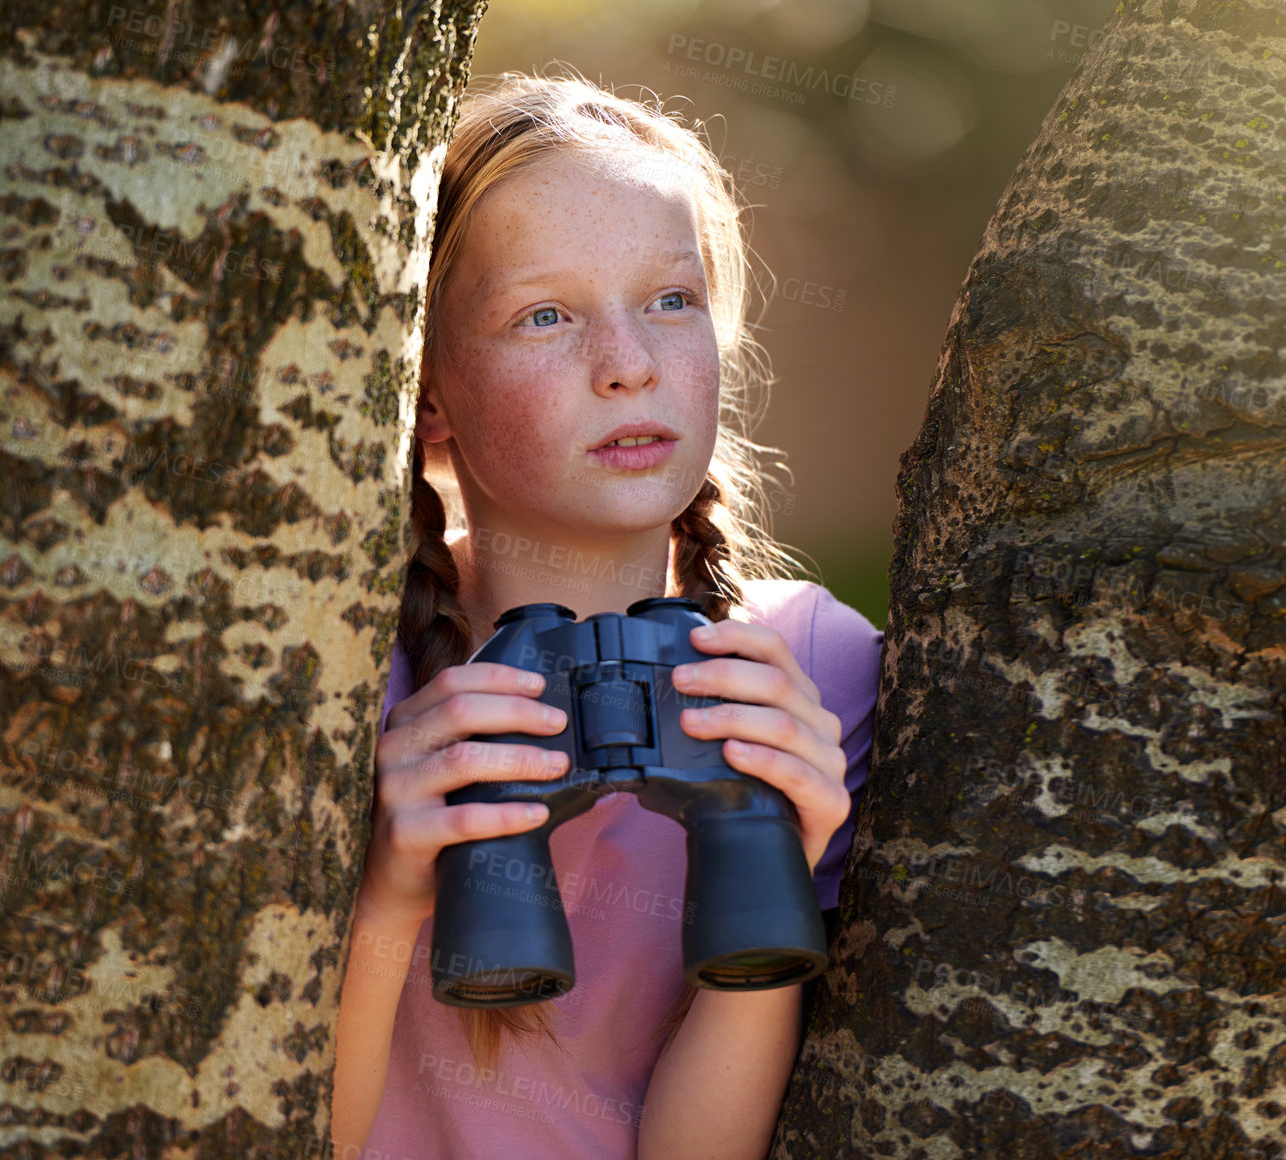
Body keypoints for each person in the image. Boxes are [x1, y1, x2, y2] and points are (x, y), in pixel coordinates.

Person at [330, 68, 882, 1160]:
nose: (629, 366)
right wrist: (393, 891)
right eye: (546, 315)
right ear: (425, 388)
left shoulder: (815, 666)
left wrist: (769, 864)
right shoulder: (348, 666)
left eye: (671, 301)